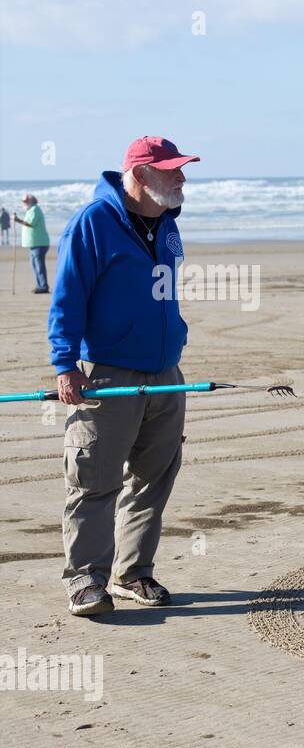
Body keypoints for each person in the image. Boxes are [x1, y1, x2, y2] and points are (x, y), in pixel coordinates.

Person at [48, 136, 200, 617]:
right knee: (94, 478)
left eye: (181, 168)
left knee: (154, 477)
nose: (181, 177)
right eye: (171, 170)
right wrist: (64, 363)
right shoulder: (94, 223)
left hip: (165, 372)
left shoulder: (169, 225)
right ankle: (85, 581)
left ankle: (133, 572)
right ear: (139, 175)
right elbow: (68, 296)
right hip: (108, 373)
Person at [12, 193, 50, 293]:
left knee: (39, 265)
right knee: (34, 265)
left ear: (31, 201)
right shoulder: (30, 211)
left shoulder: (35, 210)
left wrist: (18, 220)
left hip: (39, 243)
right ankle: (40, 285)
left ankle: (43, 286)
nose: (24, 203)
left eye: (26, 201)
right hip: (34, 243)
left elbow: (30, 224)